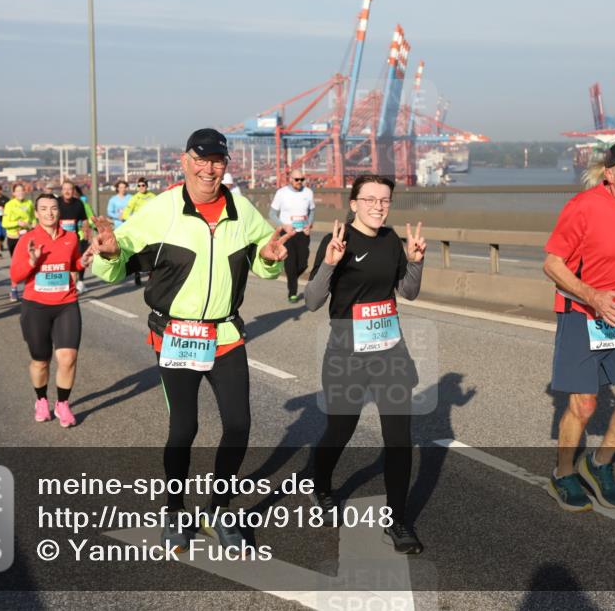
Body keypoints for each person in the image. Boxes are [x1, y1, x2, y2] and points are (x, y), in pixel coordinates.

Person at [90, 128, 290, 554]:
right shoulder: (162, 209)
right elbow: (118, 256)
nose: (209, 168)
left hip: (225, 335)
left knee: (238, 426)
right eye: (201, 159)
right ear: (185, 161)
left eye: (217, 160)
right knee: (185, 427)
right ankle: (174, 510)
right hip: (176, 336)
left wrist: (270, 260)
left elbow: (262, 254)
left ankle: (218, 509)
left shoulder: (241, 209)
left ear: (225, 166)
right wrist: (107, 253)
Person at [304, 175, 427, 554]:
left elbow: (408, 292)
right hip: (346, 352)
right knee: (341, 429)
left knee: (399, 440)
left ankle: (398, 521)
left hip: (390, 351)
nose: (378, 206)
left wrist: (415, 262)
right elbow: (311, 301)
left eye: (385, 200)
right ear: (353, 203)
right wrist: (328, 264)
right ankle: (320, 483)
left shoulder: (392, 240)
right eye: (370, 199)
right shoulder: (338, 240)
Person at [543, 141, 615, 512]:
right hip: (582, 313)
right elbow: (552, 264)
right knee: (585, 405)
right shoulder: (583, 207)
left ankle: (599, 464)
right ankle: (562, 474)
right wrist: (593, 297)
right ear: (610, 175)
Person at [11, 193, 94, 428]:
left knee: (68, 358)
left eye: (54, 208)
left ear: (59, 212)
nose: (50, 213)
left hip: (66, 304)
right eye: (44, 209)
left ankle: (63, 404)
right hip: (35, 307)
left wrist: (84, 260)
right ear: (36, 213)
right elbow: (15, 277)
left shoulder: (70, 237)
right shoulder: (28, 240)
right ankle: (41, 399)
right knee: (41, 361)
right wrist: (31, 261)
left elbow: (74, 263)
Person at [270, 168, 315, 302]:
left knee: (303, 264)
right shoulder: (281, 193)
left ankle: (292, 278)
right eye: (297, 179)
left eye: (302, 179)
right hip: (287, 234)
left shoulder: (308, 192)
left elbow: (312, 211)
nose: (299, 182)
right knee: (290, 264)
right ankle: (292, 292)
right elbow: (271, 214)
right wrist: (284, 225)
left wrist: (309, 224)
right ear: (290, 179)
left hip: (303, 233)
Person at [56, 181, 92, 294]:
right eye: (65, 189)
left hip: (73, 239)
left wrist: (87, 232)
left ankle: (72, 290)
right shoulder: (56, 203)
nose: (67, 191)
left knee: (74, 265)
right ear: (61, 191)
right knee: (61, 265)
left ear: (73, 191)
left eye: (69, 189)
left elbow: (85, 219)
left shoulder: (78, 203)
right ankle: (60, 286)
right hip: (58, 239)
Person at [2, 183, 36, 302]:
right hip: (13, 237)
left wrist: (30, 225)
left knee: (31, 262)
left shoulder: (29, 203)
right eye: (18, 191)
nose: (20, 193)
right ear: (13, 193)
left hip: (26, 237)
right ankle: (14, 289)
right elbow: (4, 223)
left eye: (22, 190)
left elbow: (34, 220)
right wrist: (18, 224)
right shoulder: (9, 205)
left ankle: (29, 288)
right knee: (15, 264)